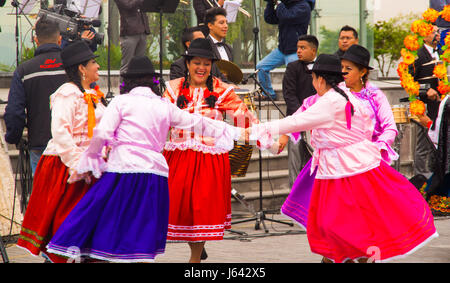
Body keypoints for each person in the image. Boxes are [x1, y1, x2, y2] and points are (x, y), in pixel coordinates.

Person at [46, 56, 240, 263]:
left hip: (123, 172)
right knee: (143, 230)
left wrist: (90, 159)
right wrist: (244, 132)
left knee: (104, 221)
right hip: (154, 176)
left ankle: (80, 254)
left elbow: (102, 133)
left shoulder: (122, 101)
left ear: (128, 82)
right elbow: (199, 122)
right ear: (152, 82)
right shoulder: (164, 105)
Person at [247, 53, 438, 263]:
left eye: (313, 78)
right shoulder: (340, 97)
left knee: (340, 225)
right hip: (340, 168)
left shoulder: (334, 101)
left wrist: (255, 129)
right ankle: (342, 256)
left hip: (350, 169)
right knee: (338, 224)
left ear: (320, 79)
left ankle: (351, 257)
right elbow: (300, 120)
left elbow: (296, 122)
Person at [280, 46, 399, 232]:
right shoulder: (334, 94)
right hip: (335, 165)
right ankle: (335, 255)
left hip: (366, 163)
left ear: (363, 71)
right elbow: (304, 111)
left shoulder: (375, 96)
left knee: (366, 219)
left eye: (348, 69)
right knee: (334, 219)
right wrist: (285, 136)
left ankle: (358, 256)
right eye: (341, 68)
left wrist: (377, 148)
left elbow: (390, 127)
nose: (343, 73)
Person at [162, 38, 258, 263]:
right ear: (187, 64)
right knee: (183, 208)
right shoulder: (173, 89)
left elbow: (244, 116)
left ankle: (195, 257)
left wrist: (259, 134)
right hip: (179, 155)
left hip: (209, 158)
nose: (201, 68)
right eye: (196, 62)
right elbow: (161, 117)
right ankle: (196, 244)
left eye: (206, 63)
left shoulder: (223, 91)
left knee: (202, 207)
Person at [16, 40, 107, 263]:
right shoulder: (67, 93)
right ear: (81, 68)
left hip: (90, 167)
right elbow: (61, 133)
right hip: (65, 167)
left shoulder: (93, 93)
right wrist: (78, 164)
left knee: (88, 226)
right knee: (66, 223)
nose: (98, 67)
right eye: (93, 62)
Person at [4, 19, 67, 176]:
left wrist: (13, 137)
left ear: (36, 40)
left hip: (40, 144)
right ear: (60, 39)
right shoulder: (73, 67)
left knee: (42, 196)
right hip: (71, 144)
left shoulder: (24, 71)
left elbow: (14, 111)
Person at [279, 34, 317, 187]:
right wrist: (302, 116)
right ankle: (293, 196)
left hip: (317, 123)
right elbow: (289, 94)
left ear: (313, 50)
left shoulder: (322, 68)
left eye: (303, 48)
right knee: (294, 157)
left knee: (314, 159)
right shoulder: (292, 67)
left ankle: (313, 194)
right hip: (295, 121)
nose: (299, 51)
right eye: (298, 48)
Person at [256, 0, 312, 100]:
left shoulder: (304, 6)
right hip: (282, 49)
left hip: (296, 50)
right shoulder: (285, 6)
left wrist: (278, 2)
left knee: (294, 76)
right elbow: (270, 19)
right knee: (261, 67)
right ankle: (269, 94)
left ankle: (297, 100)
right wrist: (270, 3)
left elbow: (287, 16)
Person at [410, 25, 442, 178]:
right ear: (424, 36)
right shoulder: (416, 55)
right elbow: (408, 81)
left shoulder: (442, 54)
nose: (437, 34)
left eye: (438, 31)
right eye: (433, 31)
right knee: (425, 143)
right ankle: (421, 179)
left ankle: (436, 177)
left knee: (440, 142)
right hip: (424, 107)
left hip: (441, 106)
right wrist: (425, 91)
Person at [114, 0, 150, 76]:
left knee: (140, 65)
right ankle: (123, 87)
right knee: (126, 65)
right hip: (129, 32)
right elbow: (128, 5)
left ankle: (138, 86)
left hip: (142, 30)